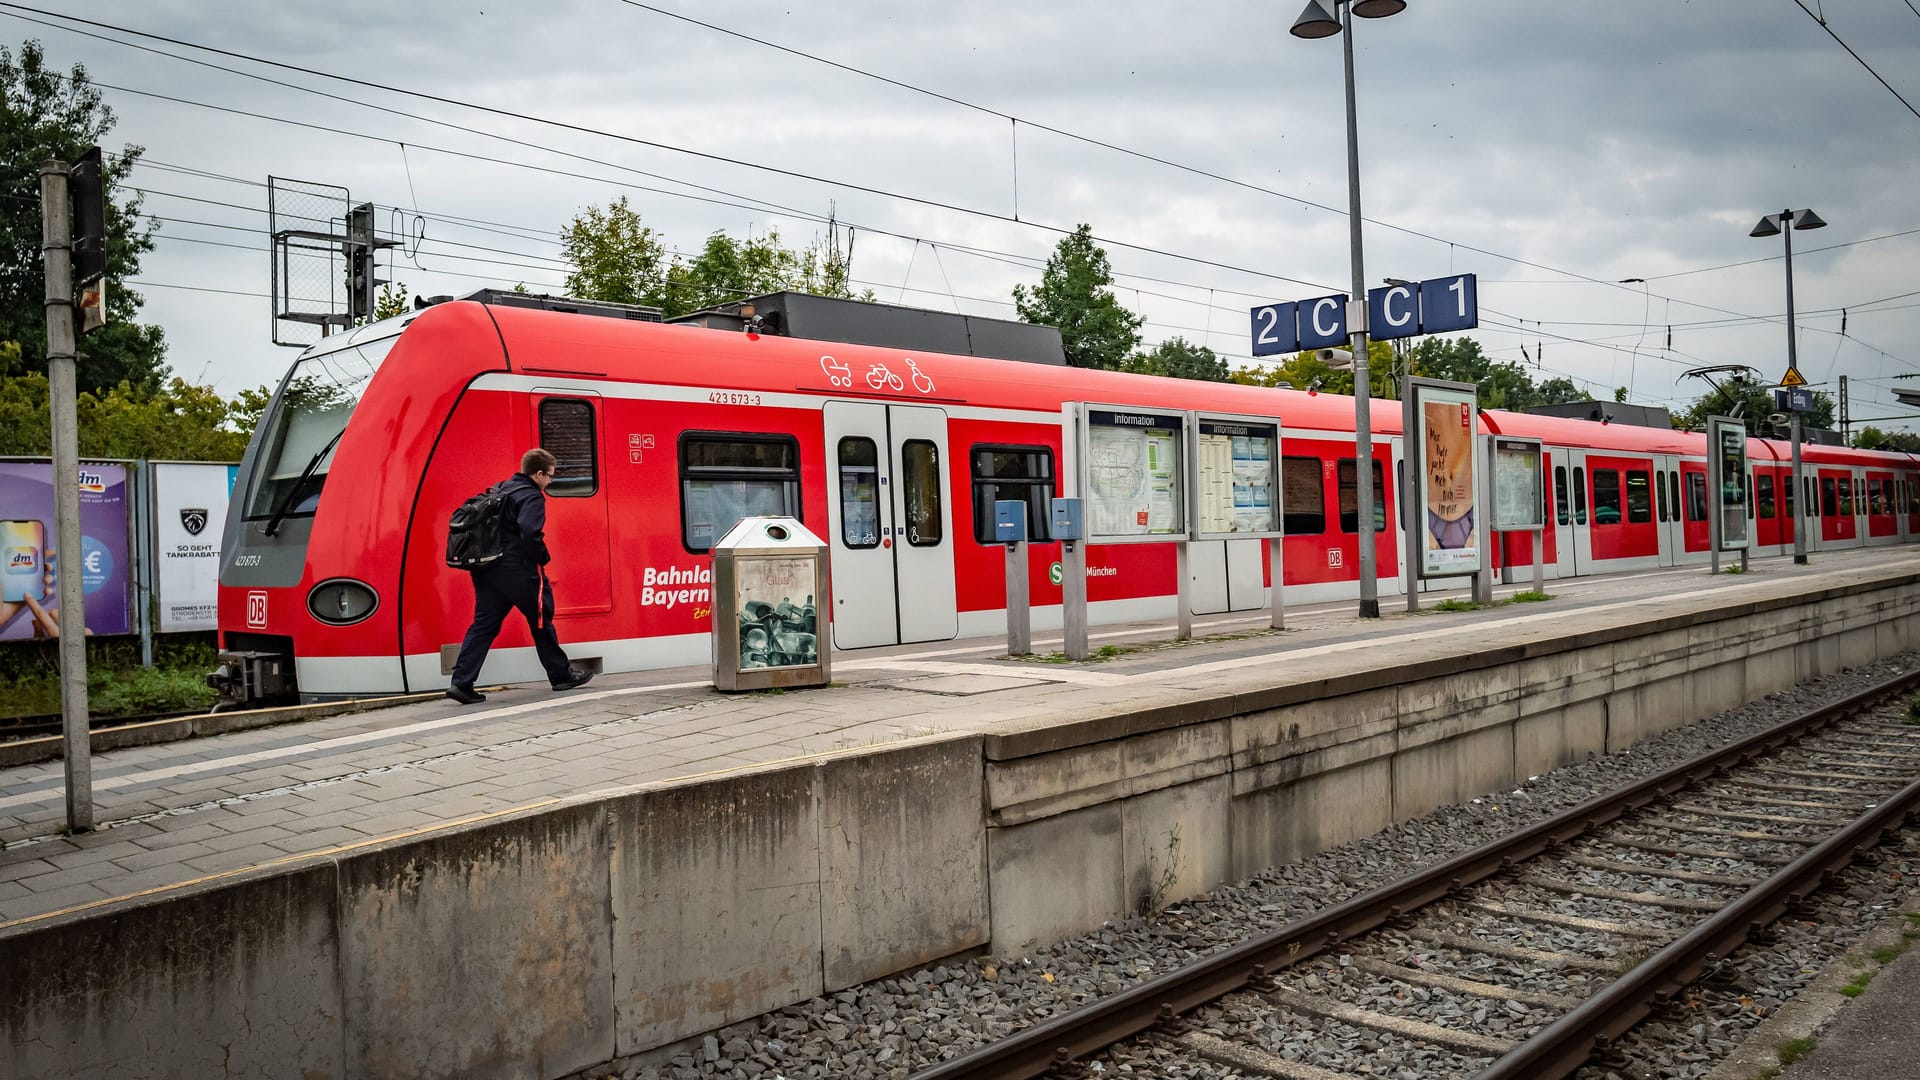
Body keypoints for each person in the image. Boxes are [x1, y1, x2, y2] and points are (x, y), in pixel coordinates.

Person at [447, 448, 593, 704]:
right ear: (538, 474)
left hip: (486, 570)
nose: (550, 482)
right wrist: (542, 556)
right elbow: (529, 530)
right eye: (550, 476)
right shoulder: (531, 496)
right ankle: (561, 676)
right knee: (541, 621)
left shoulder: (501, 488)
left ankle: (461, 683)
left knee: (483, 626)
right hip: (519, 571)